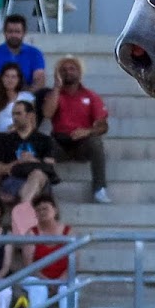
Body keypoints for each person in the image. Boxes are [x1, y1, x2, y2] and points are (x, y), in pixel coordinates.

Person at [44, 56, 111, 204]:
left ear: (79, 73)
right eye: (63, 70)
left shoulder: (91, 96)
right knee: (44, 144)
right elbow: (47, 113)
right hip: (59, 143)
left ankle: (99, 189)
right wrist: (56, 87)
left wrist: (88, 131)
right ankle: (45, 192)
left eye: (72, 69)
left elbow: (103, 126)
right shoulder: (54, 95)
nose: (68, 72)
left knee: (96, 141)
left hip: (82, 144)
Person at [0, 101, 57, 204]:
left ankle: (24, 205)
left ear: (30, 115)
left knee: (37, 174)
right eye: (13, 114)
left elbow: (49, 165)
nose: (15, 117)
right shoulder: (4, 140)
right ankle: (26, 205)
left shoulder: (45, 140)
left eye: (18, 113)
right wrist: (18, 162)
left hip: (39, 180)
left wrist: (32, 160)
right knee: (34, 185)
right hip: (14, 180)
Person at [22, 193, 73, 308]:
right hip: (38, 277)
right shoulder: (32, 233)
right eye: (38, 210)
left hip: (63, 277)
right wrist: (48, 282)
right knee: (38, 288)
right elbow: (29, 265)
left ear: (55, 210)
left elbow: (74, 262)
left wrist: (59, 282)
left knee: (68, 288)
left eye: (45, 208)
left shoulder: (68, 232)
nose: (42, 212)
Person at [0, 15, 46, 90]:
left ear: (24, 33)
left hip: (28, 94)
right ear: (4, 32)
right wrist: (11, 94)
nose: (14, 35)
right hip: (0, 94)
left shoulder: (35, 53)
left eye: (17, 32)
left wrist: (24, 95)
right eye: (10, 31)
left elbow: (39, 81)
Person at [0, 63, 36, 136]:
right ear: (1, 78)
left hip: (20, 135)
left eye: (13, 77)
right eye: (6, 76)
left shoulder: (27, 97)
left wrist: (17, 127)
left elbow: (33, 123)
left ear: (19, 79)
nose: (10, 80)